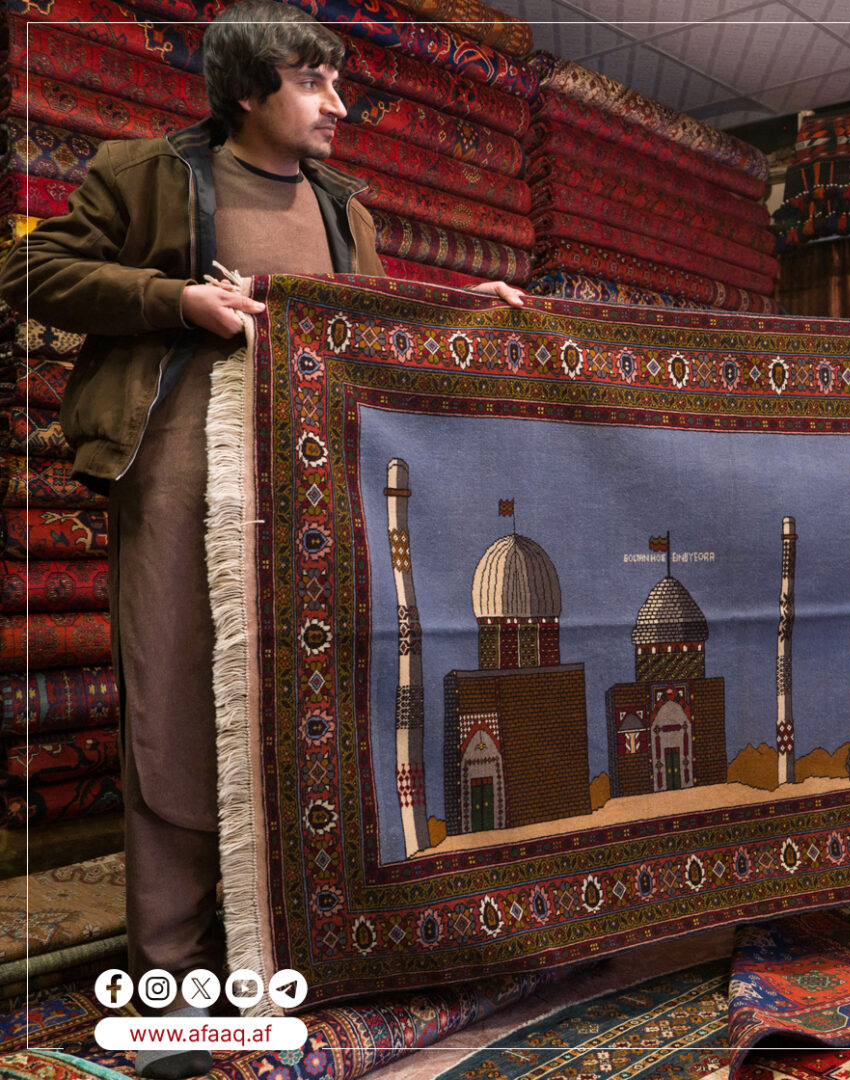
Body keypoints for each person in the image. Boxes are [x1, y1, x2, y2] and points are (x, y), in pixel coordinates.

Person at [0, 4, 521, 1075]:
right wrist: (174, 299)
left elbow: (358, 324)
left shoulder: (344, 209)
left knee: (303, 705)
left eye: (339, 83)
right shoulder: (145, 174)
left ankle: (277, 951)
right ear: (247, 89)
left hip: (306, 483)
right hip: (179, 470)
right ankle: (172, 983)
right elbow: (29, 273)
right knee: (176, 701)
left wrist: (462, 307)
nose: (339, 106)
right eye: (313, 82)